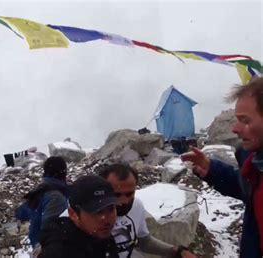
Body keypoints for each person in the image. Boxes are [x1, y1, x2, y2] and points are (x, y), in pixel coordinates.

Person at [181, 77, 263, 257]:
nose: (235, 129)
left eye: (245, 120)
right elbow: (247, 188)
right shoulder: (253, 162)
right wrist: (211, 169)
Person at [98, 164, 196, 258]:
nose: (124, 201)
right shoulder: (90, 215)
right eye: (117, 195)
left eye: (129, 194)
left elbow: (143, 240)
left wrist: (176, 252)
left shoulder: (136, 206)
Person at [38, 175, 119, 258]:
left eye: (111, 209)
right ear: (73, 214)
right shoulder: (57, 252)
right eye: (97, 212)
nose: (106, 218)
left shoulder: (101, 236)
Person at [15, 156, 69, 257]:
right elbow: (51, 228)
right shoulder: (56, 196)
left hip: (37, 245)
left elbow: (21, 212)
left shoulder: (42, 190)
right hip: (48, 249)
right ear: (63, 172)